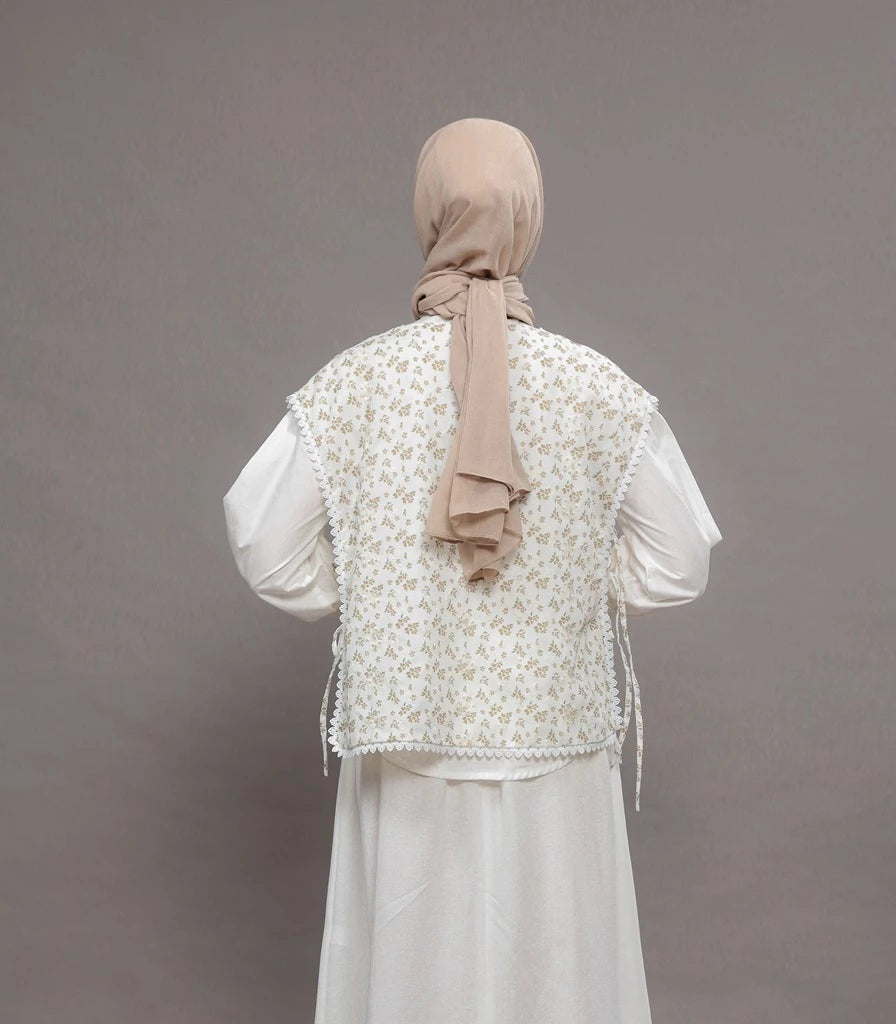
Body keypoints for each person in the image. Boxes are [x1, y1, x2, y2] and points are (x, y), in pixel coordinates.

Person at [223, 117, 722, 1024]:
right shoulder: (596, 387)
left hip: (409, 742)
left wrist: (371, 585)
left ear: (428, 215)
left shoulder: (357, 383)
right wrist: (575, 579)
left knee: (412, 981)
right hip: (555, 748)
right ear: (530, 219)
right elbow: (679, 560)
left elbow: (264, 543)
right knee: (559, 980)